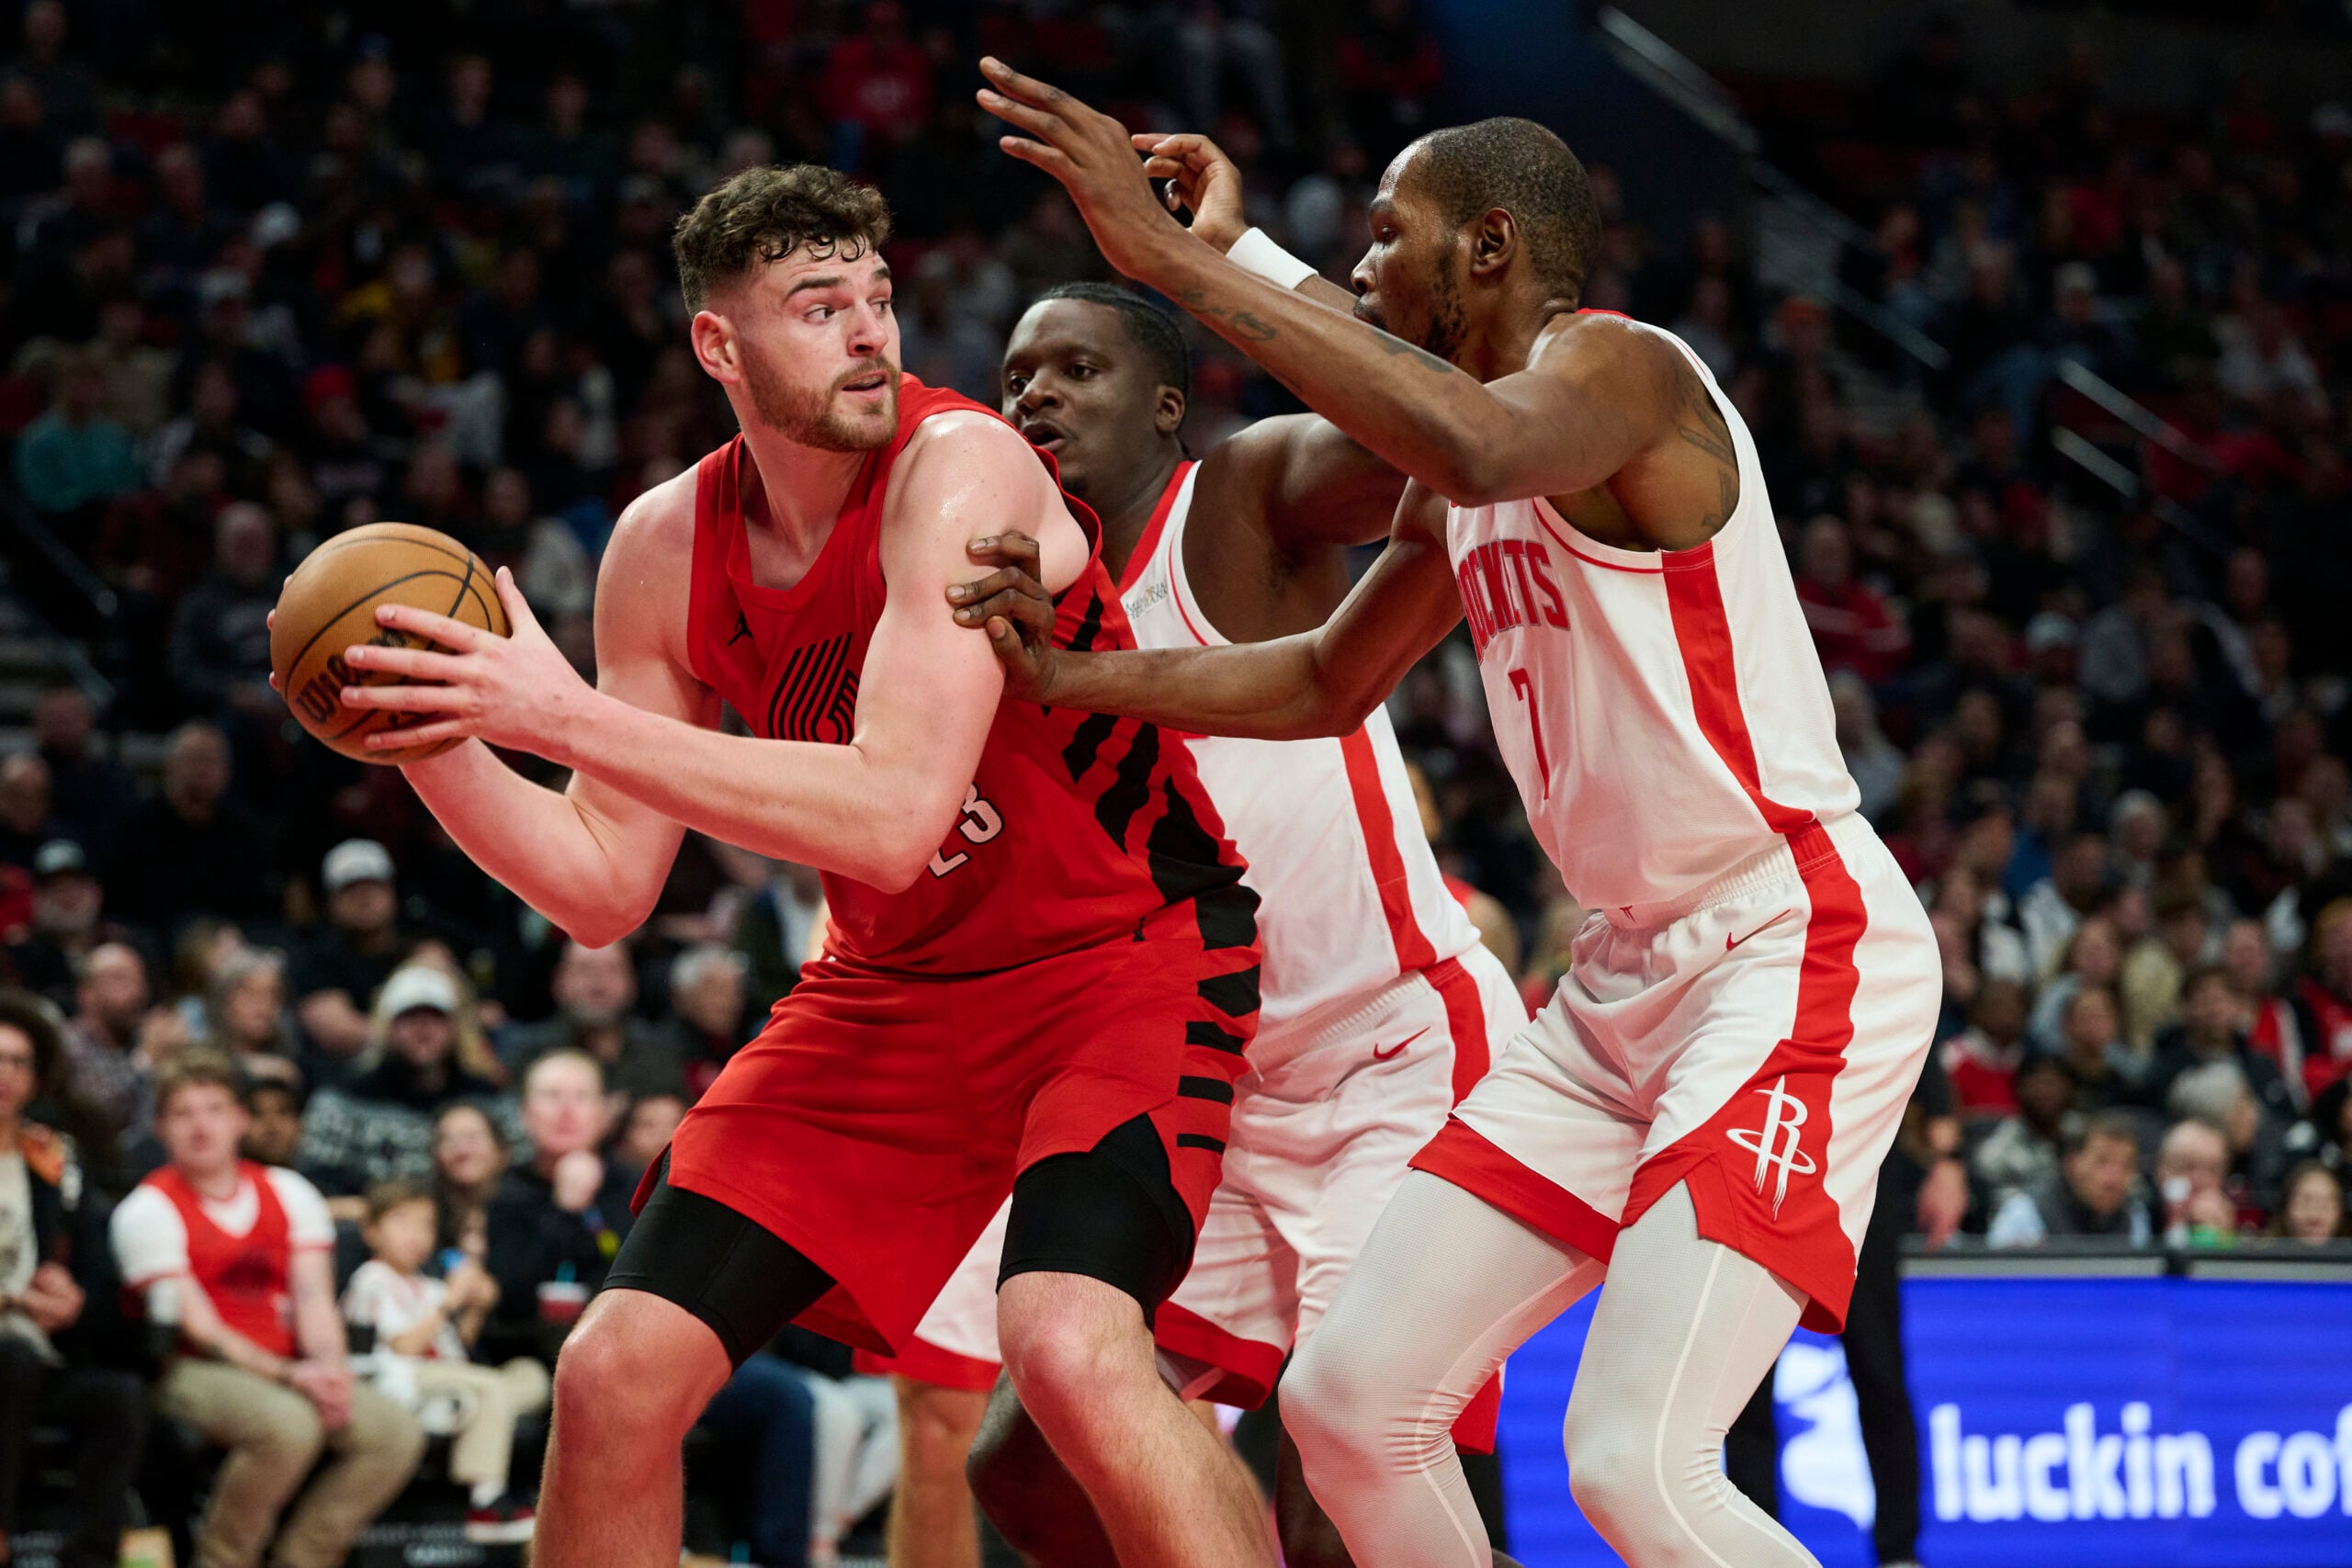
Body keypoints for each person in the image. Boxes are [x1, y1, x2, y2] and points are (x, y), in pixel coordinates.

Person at [967, 67, 1940, 1566]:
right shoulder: (1460, 480)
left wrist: (1182, 266)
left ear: (1487, 249)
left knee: (1634, 1462)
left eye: (1382, 234)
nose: (1357, 261)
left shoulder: (1626, 374)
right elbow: (1321, 678)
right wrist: (1080, 673)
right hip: (1617, 987)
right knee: (1349, 1401)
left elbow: (1482, 436)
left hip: (1785, 943)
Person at [317, 162, 1272, 1568]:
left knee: (1064, 1344)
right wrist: (435, 733)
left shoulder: (965, 471)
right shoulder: (660, 546)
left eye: (878, 298)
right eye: (818, 307)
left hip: (1120, 959)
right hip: (892, 989)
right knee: (614, 1370)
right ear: (721, 344)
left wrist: (555, 710)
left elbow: (891, 812)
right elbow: (598, 884)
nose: (871, 332)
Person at [886, 218, 1524, 1568]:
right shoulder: (1004, 607)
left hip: (1390, 1054)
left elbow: (1440, 430)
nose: (1034, 395)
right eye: (1013, 378)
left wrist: (1224, 254)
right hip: (1203, 1085)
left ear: (1167, 406)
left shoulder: (1237, 498)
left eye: (1076, 369)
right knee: (1032, 1462)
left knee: (1339, 1483)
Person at [109, 1051, 424, 1568]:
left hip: (291, 1365)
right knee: (288, 1426)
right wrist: (293, 1376)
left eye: (214, 1109)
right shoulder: (147, 1209)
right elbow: (201, 1327)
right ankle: (223, 1558)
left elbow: (314, 1299)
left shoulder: (289, 1191)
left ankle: (304, 1557)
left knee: (393, 1432)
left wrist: (329, 1371)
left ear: (240, 1119)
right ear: (161, 1127)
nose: (201, 1125)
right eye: (184, 1113)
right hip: (194, 1368)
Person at [0, 989, 147, 1568]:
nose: (4, 1074)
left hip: (35, 1353)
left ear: (37, 1079)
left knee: (121, 1398)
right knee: (13, 1354)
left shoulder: (54, 1161)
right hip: (13, 1353)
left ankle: (89, 1558)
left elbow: (95, 1272)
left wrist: (75, 1304)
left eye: (18, 1061)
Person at [342, 1179, 548, 1541]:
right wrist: (451, 1300)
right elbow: (404, 1347)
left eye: (426, 1224)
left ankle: (470, 1409)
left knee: (531, 1375)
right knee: (488, 1387)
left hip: (449, 1378)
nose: (416, 1234)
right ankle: (485, 1500)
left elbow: (459, 1348)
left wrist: (476, 1307)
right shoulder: (372, 1279)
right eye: (402, 1221)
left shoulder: (429, 1286)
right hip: (400, 1381)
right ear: (372, 1231)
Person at [498, 938, 684, 1102]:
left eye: (612, 970)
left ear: (632, 982)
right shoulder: (526, 1052)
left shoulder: (660, 1053)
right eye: (584, 970)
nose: (598, 984)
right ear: (558, 981)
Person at [288, 840, 411, 1069]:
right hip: (346, 1084)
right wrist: (418, 1038)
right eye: (350, 888)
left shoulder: (420, 949)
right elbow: (337, 1033)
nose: (364, 897)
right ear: (330, 902)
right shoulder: (315, 958)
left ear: (392, 893)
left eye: (373, 885)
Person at [1986, 1111, 2152, 1246]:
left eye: (2126, 1166)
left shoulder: (2135, 1216)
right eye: (2101, 1162)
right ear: (2073, 1164)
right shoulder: (2025, 1212)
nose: (2113, 1179)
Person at [2272, 1161, 2346, 1243]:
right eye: (2304, 1204)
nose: (2314, 1216)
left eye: (2325, 1206)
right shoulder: (2261, 1253)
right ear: (2285, 1208)